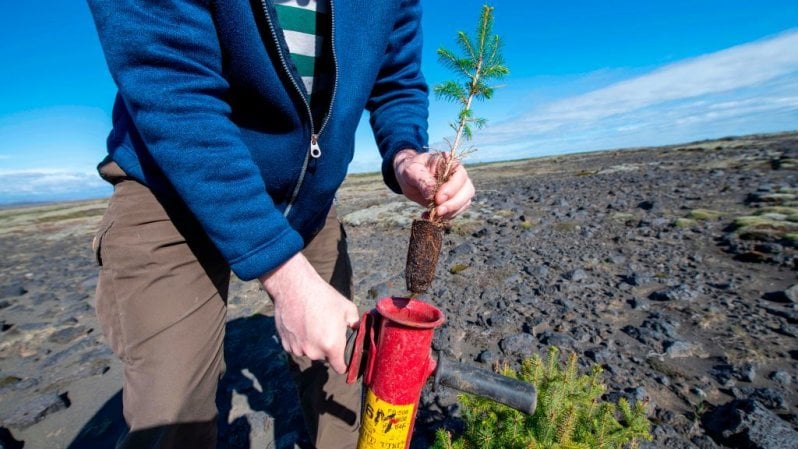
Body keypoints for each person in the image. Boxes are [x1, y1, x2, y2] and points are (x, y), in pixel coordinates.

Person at [87, 0, 475, 448]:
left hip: (307, 200)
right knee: (170, 417)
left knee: (340, 376)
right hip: (171, 188)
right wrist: (286, 278)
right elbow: (170, 86)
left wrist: (407, 155)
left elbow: (397, 82)